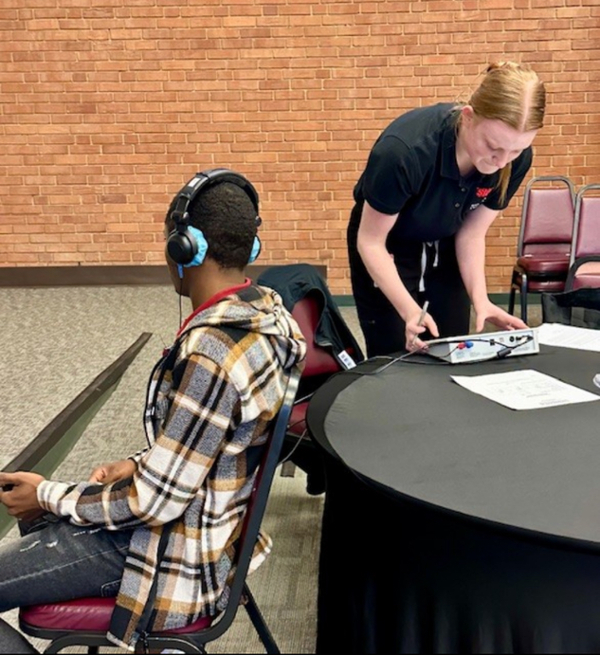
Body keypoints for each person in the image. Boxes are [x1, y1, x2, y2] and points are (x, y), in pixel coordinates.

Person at [0, 169, 306, 653]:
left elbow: (153, 503)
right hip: (208, 526)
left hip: (165, 552)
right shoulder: (269, 318)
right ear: (249, 249)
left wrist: (49, 495)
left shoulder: (213, 352)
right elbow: (215, 442)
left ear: (185, 248)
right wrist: (144, 462)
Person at [347, 61, 546, 357]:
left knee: (453, 345)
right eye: (492, 145)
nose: (502, 161)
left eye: (515, 150)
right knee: (394, 350)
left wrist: (482, 300)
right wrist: (409, 311)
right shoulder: (403, 152)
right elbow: (370, 241)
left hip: (448, 240)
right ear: (468, 118)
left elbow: (472, 234)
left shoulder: (515, 159)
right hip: (387, 243)